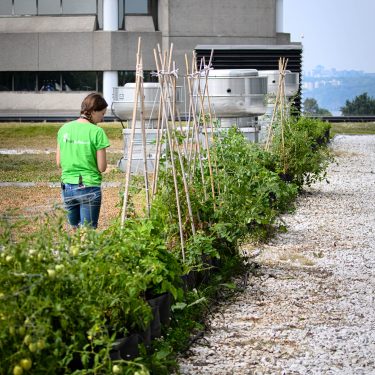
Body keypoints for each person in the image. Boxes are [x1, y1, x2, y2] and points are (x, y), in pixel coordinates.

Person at [56, 92, 110, 229]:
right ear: (93, 111)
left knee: (74, 229)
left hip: (67, 186)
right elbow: (102, 167)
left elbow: (59, 163)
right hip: (89, 186)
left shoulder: (64, 129)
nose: (103, 118)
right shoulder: (97, 132)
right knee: (88, 232)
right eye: (102, 114)